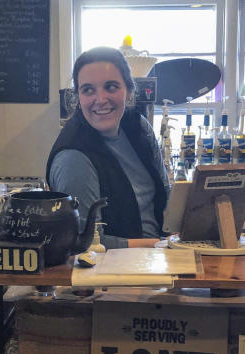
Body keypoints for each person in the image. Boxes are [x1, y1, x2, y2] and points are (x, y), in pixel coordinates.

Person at [46, 46, 170, 249]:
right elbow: (85, 243)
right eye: (88, 90)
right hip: (110, 273)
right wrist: (161, 246)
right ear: (78, 97)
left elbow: (166, 194)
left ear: (129, 92)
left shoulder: (139, 127)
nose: (100, 100)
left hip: (159, 259)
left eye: (111, 87)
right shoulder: (73, 158)